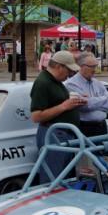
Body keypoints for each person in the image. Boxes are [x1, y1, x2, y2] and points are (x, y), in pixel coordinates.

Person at [30, 51, 87, 179]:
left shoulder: (54, 81)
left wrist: (76, 101)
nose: (71, 74)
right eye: (69, 70)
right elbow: (36, 116)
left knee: (64, 177)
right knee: (53, 178)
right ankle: (51, 198)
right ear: (59, 67)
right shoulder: (43, 83)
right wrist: (65, 106)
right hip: (53, 135)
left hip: (61, 134)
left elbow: (60, 103)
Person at [66, 52, 108, 137]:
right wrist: (104, 99)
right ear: (81, 66)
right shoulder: (71, 84)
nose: (95, 69)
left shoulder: (97, 83)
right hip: (84, 128)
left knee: (102, 150)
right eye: (92, 66)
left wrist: (92, 101)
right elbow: (85, 106)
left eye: (96, 66)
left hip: (102, 127)